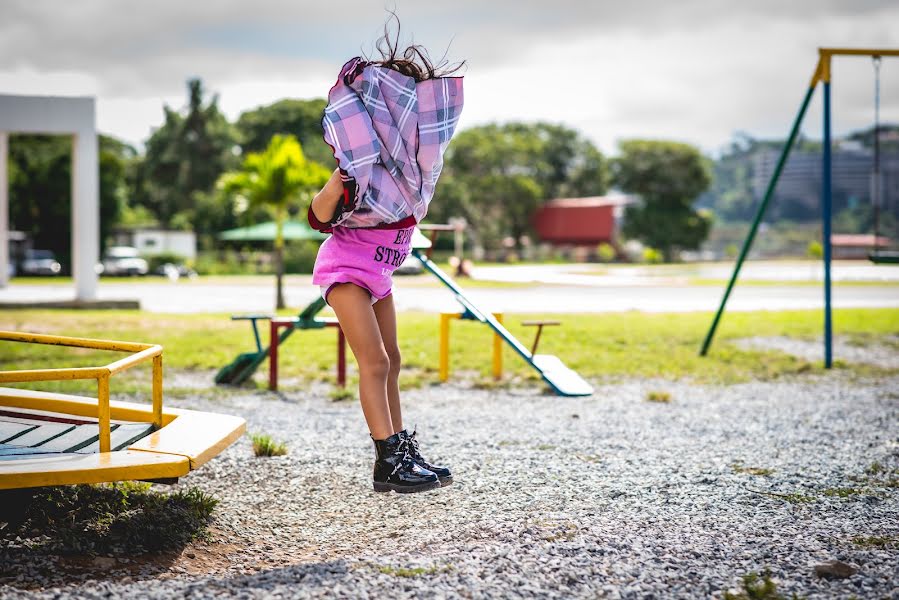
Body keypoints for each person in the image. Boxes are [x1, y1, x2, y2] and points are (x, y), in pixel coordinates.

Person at [308, 24, 464, 494]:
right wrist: (338, 182)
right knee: (374, 362)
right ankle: (387, 461)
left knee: (392, 359)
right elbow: (317, 218)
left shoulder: (409, 179)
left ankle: (401, 447)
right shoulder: (361, 172)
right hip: (345, 272)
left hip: (378, 275)